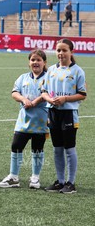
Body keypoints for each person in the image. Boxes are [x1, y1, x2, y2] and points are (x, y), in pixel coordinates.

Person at [0, 50, 48, 189]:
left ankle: (35, 178)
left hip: (41, 121)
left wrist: (36, 101)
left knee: (37, 149)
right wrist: (24, 99)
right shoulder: (23, 78)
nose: (35, 62)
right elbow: (14, 92)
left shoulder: (49, 78)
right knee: (16, 146)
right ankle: (14, 177)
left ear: (44, 62)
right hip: (23, 121)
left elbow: (49, 94)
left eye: (38, 60)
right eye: (32, 60)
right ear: (29, 62)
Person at [41, 39, 87, 194]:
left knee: (69, 148)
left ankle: (71, 183)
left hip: (69, 114)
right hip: (53, 112)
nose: (60, 53)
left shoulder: (77, 71)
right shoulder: (51, 70)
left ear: (71, 52)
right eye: (58, 50)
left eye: (64, 50)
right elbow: (44, 91)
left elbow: (82, 94)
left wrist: (65, 99)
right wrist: (49, 99)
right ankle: (60, 182)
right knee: (57, 148)